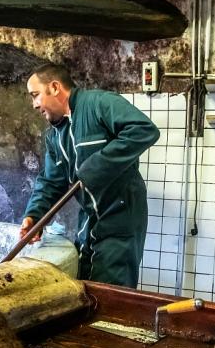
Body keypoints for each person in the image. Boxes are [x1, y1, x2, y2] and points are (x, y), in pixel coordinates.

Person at [20, 63, 159, 288]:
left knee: (110, 291)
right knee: (85, 284)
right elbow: (50, 182)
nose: (34, 105)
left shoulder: (99, 103)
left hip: (120, 217)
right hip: (89, 222)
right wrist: (35, 216)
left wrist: (95, 166)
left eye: (35, 95)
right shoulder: (55, 136)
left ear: (54, 87)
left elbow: (144, 130)